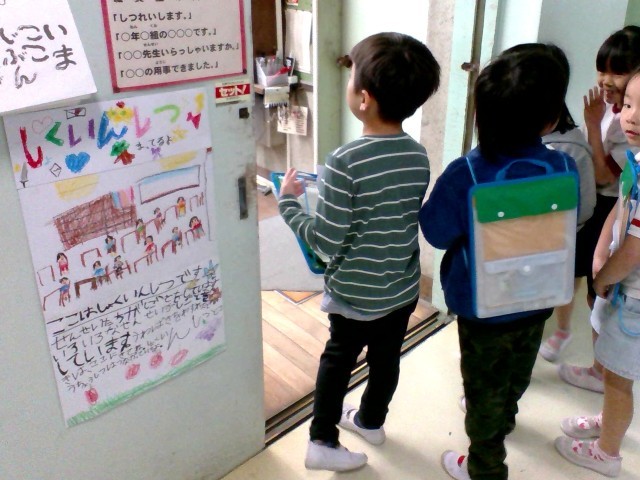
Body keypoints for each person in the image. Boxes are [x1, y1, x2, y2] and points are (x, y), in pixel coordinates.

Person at [277, 32, 440, 472]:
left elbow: (325, 241)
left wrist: (289, 204)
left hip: (354, 292)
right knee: (386, 360)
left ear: (363, 99)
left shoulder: (344, 161)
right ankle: (370, 421)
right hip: (400, 287)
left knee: (338, 360)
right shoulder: (417, 155)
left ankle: (321, 440)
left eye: (351, 80)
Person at [420, 47, 578, 480]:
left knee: (482, 389)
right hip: (538, 297)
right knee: (517, 372)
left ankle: (485, 467)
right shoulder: (563, 165)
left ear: (481, 114)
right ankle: (505, 416)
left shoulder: (466, 174)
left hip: (483, 308)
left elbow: (435, 232)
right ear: (549, 120)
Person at [554, 65, 640, 478]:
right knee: (612, 371)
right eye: (629, 105)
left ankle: (608, 455)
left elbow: (636, 247)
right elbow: (620, 205)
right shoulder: (637, 160)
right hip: (621, 286)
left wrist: (604, 276)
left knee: (620, 380)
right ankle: (608, 422)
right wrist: (601, 252)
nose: (631, 117)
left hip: (634, 298)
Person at [559, 25, 640, 393]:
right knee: (593, 286)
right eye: (601, 69)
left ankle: (602, 371)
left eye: (616, 72)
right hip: (605, 204)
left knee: (601, 292)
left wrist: (592, 125)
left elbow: (608, 174)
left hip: (612, 203)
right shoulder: (613, 108)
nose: (605, 80)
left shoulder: (630, 124)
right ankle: (598, 366)